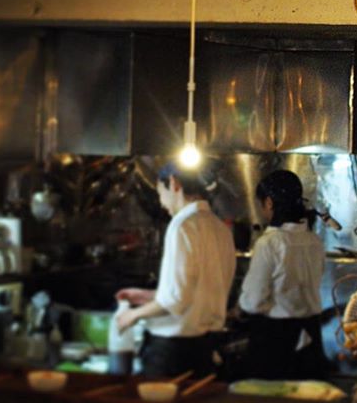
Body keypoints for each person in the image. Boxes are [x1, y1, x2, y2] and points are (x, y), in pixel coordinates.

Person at [116, 159, 236, 377]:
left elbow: (175, 301)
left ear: (174, 183)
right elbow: (199, 291)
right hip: (204, 349)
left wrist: (132, 316)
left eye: (160, 193)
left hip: (172, 352)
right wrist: (149, 296)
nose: (162, 202)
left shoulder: (182, 225)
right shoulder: (220, 228)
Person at [238, 169, 328, 380]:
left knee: (273, 398)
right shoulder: (314, 241)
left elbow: (253, 301)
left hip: (276, 340)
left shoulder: (270, 243)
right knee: (306, 396)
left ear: (269, 203)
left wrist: (239, 307)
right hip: (311, 336)